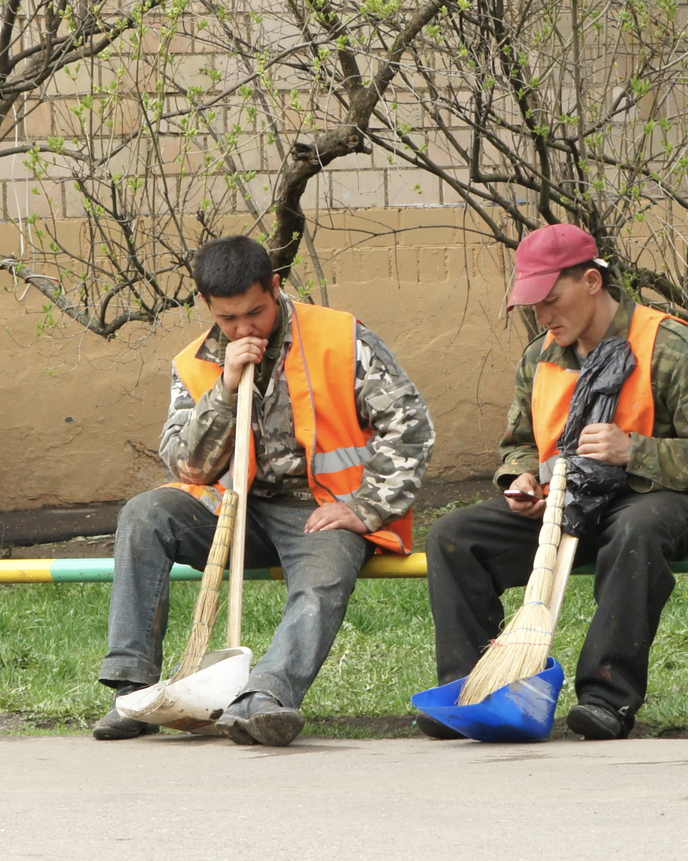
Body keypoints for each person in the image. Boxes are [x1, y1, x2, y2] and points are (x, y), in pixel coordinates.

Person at [95, 235, 435, 746]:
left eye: (255, 312)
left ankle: (264, 698)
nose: (243, 328)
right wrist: (226, 390)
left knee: (321, 579)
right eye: (228, 318)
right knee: (146, 514)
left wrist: (365, 508)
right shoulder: (195, 363)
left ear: (275, 287)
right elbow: (190, 465)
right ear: (206, 305)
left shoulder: (341, 338)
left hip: (324, 511)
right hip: (237, 510)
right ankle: (138, 692)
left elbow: (410, 425)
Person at [423, 223, 688, 740]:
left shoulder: (674, 346)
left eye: (552, 301)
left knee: (635, 529)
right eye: (534, 307)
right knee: (452, 535)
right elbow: (520, 441)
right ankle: (472, 694)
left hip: (657, 503)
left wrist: (633, 450)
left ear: (593, 282)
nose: (544, 317)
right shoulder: (540, 356)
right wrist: (522, 477)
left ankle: (606, 699)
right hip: (563, 508)